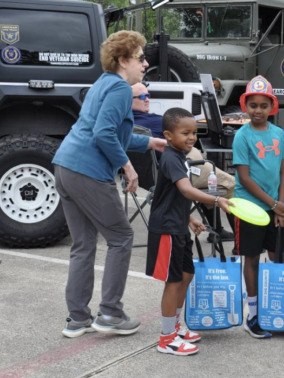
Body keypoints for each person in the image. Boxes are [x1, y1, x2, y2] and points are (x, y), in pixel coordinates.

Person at [53, 31, 167, 338]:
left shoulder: (102, 84)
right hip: (88, 172)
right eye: (140, 58)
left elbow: (108, 132)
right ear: (123, 60)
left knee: (83, 245)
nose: (145, 64)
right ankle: (111, 314)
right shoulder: (118, 87)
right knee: (121, 237)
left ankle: (77, 319)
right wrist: (129, 167)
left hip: (65, 166)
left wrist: (150, 142)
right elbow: (104, 135)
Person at [146, 107, 233, 355]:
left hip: (178, 225)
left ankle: (175, 326)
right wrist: (216, 201)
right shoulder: (171, 158)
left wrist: (190, 218)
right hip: (166, 229)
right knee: (173, 281)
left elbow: (173, 198)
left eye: (194, 132)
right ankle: (166, 338)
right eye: (185, 133)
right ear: (168, 135)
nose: (191, 138)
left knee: (186, 275)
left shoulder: (180, 156)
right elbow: (184, 190)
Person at [130, 83, 236, 245]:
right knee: (230, 184)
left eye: (148, 95)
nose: (147, 100)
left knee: (208, 184)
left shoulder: (126, 124)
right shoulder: (152, 123)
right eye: (142, 97)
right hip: (180, 169)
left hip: (150, 177)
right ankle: (239, 240)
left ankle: (217, 231)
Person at [232, 75, 284, 339]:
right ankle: (252, 315)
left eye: (263, 105)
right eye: (252, 105)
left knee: (277, 257)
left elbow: (283, 173)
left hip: (274, 207)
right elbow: (244, 177)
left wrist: (281, 206)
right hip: (249, 208)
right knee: (251, 259)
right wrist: (273, 204)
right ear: (245, 106)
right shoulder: (242, 136)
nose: (258, 110)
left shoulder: (278, 134)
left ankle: (274, 309)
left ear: (271, 107)